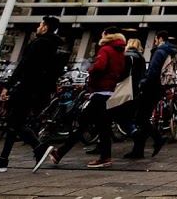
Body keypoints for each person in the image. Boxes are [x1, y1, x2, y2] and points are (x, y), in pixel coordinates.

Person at [0, 16, 64, 173]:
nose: (37, 28)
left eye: (40, 25)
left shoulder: (40, 43)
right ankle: (4, 158)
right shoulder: (54, 45)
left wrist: (8, 86)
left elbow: (24, 66)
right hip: (39, 89)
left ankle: (38, 148)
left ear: (45, 28)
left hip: (28, 87)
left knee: (14, 120)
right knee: (15, 121)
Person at [43, 27, 126, 169]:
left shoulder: (105, 49)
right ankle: (104, 157)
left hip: (99, 92)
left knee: (82, 124)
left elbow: (99, 67)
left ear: (107, 35)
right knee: (103, 127)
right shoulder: (120, 52)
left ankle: (60, 153)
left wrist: (90, 71)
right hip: (110, 92)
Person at [126, 30, 177, 159]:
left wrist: (143, 85)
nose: (155, 41)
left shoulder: (160, 52)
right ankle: (139, 150)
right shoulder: (170, 52)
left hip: (151, 88)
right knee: (143, 118)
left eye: (156, 39)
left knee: (140, 118)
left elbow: (153, 71)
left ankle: (157, 137)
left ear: (159, 38)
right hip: (160, 88)